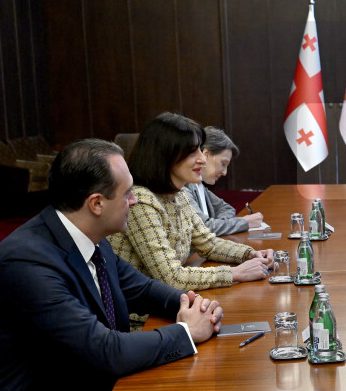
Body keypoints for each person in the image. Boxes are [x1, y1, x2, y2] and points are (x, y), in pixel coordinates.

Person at [0, 139, 224, 391]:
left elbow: (143, 289)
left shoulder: (91, 238)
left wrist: (195, 306)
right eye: (127, 193)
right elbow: (105, 351)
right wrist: (187, 333)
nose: (135, 201)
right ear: (96, 203)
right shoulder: (25, 262)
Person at [108, 112, 273, 292]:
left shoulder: (179, 195)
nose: (202, 159)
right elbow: (172, 278)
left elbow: (209, 244)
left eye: (200, 150)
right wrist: (236, 273)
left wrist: (250, 254)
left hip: (166, 300)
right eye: (193, 152)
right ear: (166, 155)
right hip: (141, 308)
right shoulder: (141, 202)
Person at [182, 126, 265, 235]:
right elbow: (203, 228)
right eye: (223, 164)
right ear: (206, 155)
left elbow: (227, 209)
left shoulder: (200, 186)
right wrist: (244, 222)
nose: (224, 172)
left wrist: (219, 225)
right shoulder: (184, 187)